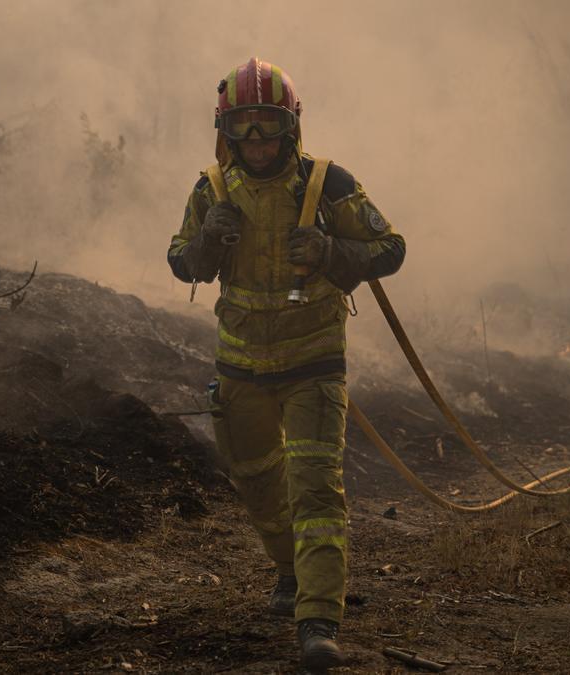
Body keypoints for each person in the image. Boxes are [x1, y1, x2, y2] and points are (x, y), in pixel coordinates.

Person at [166, 57, 406, 670]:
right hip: (241, 368)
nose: (257, 142)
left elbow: (390, 247)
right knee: (255, 482)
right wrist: (205, 241)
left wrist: (332, 250)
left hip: (312, 368)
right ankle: (290, 574)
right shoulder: (210, 191)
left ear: (290, 126)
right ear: (225, 130)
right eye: (243, 127)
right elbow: (180, 263)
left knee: (316, 491)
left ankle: (320, 619)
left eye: (267, 126)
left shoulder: (327, 184)